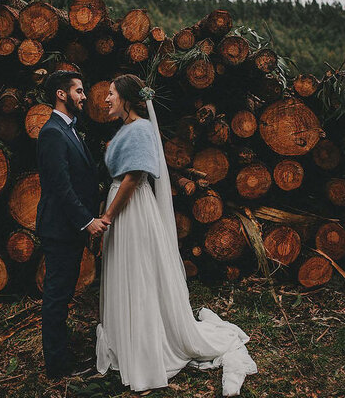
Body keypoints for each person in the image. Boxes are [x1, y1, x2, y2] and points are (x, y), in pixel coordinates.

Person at [94, 74, 258, 396]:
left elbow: (133, 177)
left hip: (131, 210)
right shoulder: (125, 129)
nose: (106, 99)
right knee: (125, 273)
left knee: (138, 273)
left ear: (126, 98)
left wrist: (109, 215)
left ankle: (145, 347)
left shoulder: (140, 128)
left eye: (111, 94)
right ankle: (125, 341)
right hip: (120, 205)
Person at [36, 70, 110, 380]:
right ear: (61, 94)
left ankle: (62, 354)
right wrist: (86, 221)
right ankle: (56, 365)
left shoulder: (70, 130)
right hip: (60, 228)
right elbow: (60, 186)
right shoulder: (53, 132)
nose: (84, 96)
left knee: (63, 294)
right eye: (78, 91)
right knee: (56, 296)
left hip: (67, 229)